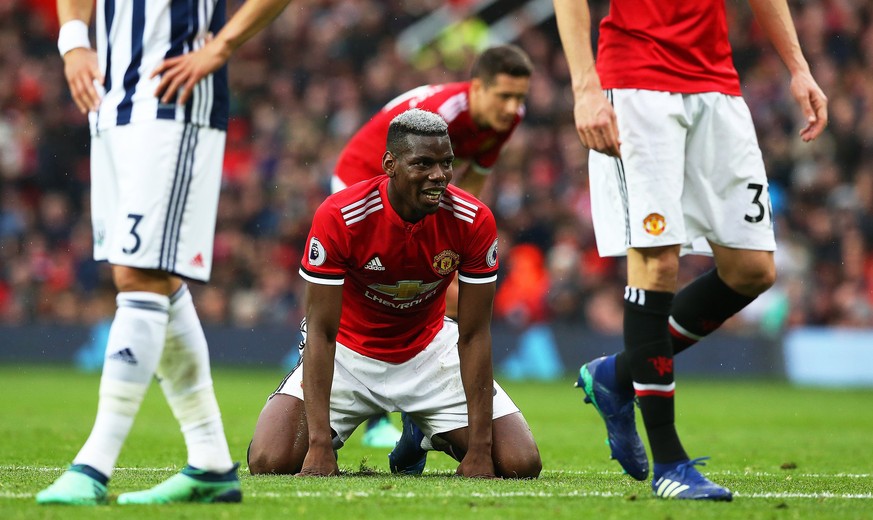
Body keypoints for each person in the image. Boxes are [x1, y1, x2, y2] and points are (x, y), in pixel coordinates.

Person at [553, 0, 827, 501]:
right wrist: (585, 85)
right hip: (636, 85)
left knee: (752, 270)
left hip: (717, 88)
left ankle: (615, 373)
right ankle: (670, 464)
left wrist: (799, 68)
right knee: (657, 263)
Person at [37, 0, 294, 506]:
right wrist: (73, 41)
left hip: (173, 100)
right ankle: (211, 463)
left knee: (140, 274)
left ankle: (94, 465)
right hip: (110, 100)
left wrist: (220, 46)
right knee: (143, 276)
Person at [246, 109, 542, 479]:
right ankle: (362, 429)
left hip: (429, 351)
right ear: (390, 164)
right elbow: (321, 332)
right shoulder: (340, 216)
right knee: (269, 462)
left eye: (446, 163)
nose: (439, 176)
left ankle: (420, 434)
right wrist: (320, 445)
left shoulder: (473, 219)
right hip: (349, 354)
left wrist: (481, 449)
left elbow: (475, 334)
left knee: (520, 465)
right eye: (423, 164)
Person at [333, 43, 533, 450]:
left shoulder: (503, 120)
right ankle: (378, 415)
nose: (513, 108)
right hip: (365, 181)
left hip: (416, 192)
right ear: (477, 88)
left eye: (520, 98)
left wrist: (460, 242)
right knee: (381, 298)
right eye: (504, 96)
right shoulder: (445, 117)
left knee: (443, 296)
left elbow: (469, 186)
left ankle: (418, 413)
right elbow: (406, 173)